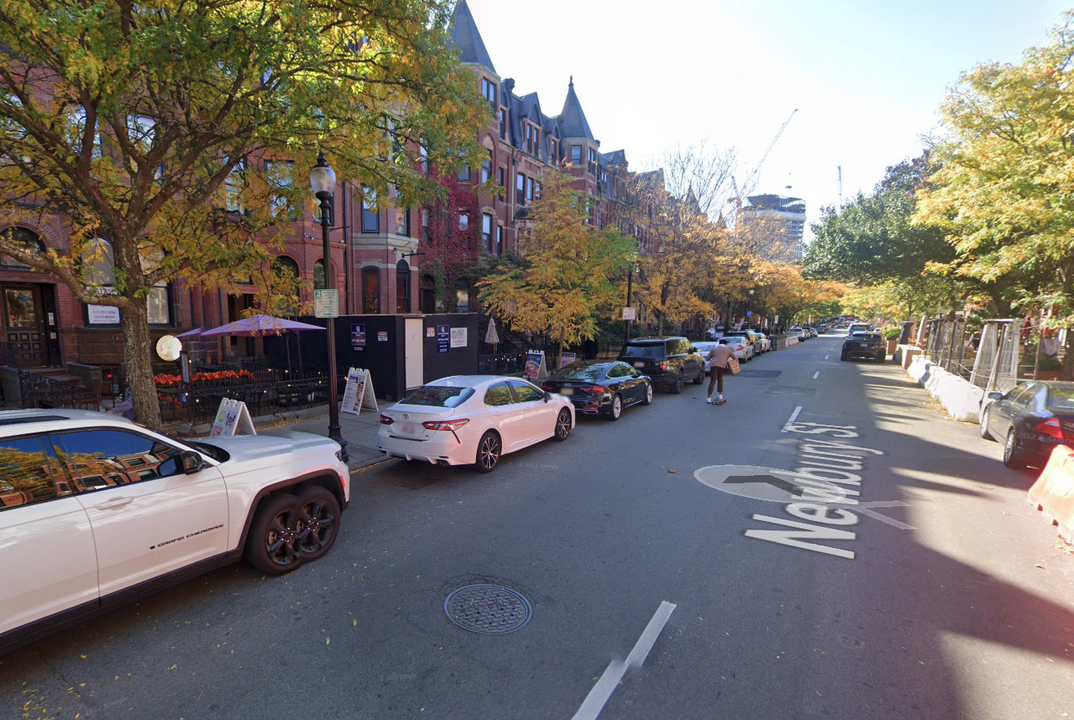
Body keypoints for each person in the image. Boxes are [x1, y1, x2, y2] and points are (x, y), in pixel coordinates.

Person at [705, 341, 736, 405]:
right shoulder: (728, 350)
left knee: (713, 380)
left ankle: (709, 397)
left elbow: (707, 358)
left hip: (714, 365)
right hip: (722, 365)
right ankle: (720, 395)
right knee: (720, 378)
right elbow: (735, 358)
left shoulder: (714, 349)